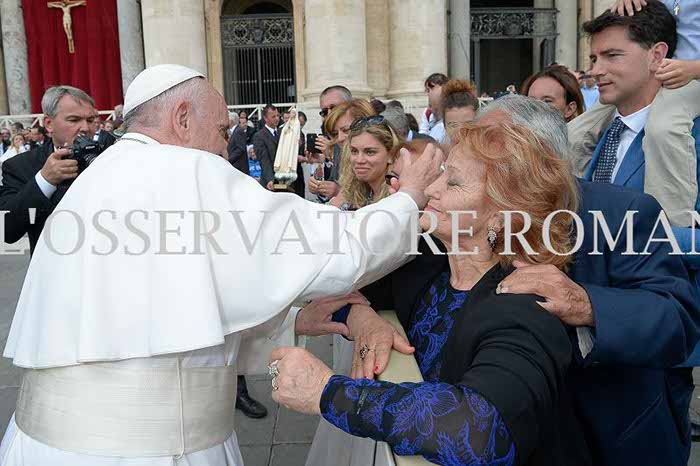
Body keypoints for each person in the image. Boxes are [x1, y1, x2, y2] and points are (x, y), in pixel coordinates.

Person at [0, 64, 445, 466]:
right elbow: (341, 249)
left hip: (39, 444)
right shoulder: (187, 169)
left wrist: (292, 322)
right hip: (153, 451)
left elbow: (171, 305)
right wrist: (410, 196)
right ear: (181, 119)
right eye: (220, 130)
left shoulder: (95, 175)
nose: (224, 147)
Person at [271, 121, 592, 466]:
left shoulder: (526, 305)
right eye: (440, 174)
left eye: (452, 182)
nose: (431, 189)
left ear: (502, 217)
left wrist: (328, 392)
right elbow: (337, 288)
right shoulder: (428, 259)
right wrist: (363, 318)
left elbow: (481, 432)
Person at [568, 0, 700, 227]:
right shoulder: (609, 128)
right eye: (594, 59)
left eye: (612, 55)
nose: (595, 71)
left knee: (663, 129)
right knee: (574, 132)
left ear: (657, 54)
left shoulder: (689, 138)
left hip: (688, 80)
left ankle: (669, 222)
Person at [0, 86, 97, 254]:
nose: (85, 128)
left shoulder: (110, 157)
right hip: (52, 266)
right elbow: (8, 230)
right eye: (74, 120)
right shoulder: (20, 166)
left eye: (90, 120)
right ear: (49, 124)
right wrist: (44, 180)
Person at [330, 116, 402, 210]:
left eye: (370, 152)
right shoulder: (356, 192)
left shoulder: (399, 195)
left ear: (391, 155)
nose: (359, 160)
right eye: (354, 151)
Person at [309, 99, 375, 201]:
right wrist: (319, 186)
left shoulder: (387, 162)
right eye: (335, 134)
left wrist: (339, 192)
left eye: (346, 130)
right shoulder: (341, 152)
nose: (340, 138)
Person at [308, 85, 353, 200]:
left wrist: (338, 191)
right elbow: (334, 180)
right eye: (324, 111)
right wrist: (318, 184)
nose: (329, 114)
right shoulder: (332, 138)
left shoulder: (365, 134)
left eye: (334, 107)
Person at [252, 104, 280, 187]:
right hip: (270, 183)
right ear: (265, 118)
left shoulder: (282, 133)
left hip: (285, 181)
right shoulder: (259, 136)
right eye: (273, 116)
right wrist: (270, 179)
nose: (277, 118)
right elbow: (264, 160)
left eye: (277, 115)